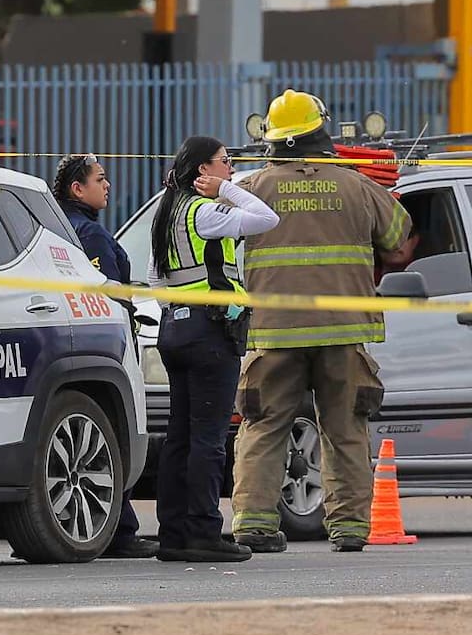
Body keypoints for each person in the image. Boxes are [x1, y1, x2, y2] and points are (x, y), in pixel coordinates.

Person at [231, 89, 412, 554]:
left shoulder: (251, 189)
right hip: (343, 329)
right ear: (321, 131)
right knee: (345, 429)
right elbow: (399, 240)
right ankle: (350, 528)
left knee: (263, 427)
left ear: (273, 138)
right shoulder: (356, 186)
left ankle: (253, 524)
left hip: (274, 330)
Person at [148, 136, 279, 562]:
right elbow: (265, 218)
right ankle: (204, 532)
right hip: (209, 334)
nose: (230, 168)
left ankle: (173, 534)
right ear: (203, 169)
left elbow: (156, 280)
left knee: (180, 438)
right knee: (208, 438)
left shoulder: (168, 212)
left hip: (175, 329)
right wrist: (224, 190)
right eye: (225, 163)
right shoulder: (204, 211)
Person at [53, 152, 158, 559]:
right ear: (78, 189)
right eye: (100, 179)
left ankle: (111, 525)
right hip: (105, 342)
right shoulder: (91, 235)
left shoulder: (60, 229)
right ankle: (120, 531)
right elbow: (109, 296)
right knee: (115, 432)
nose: (107, 185)